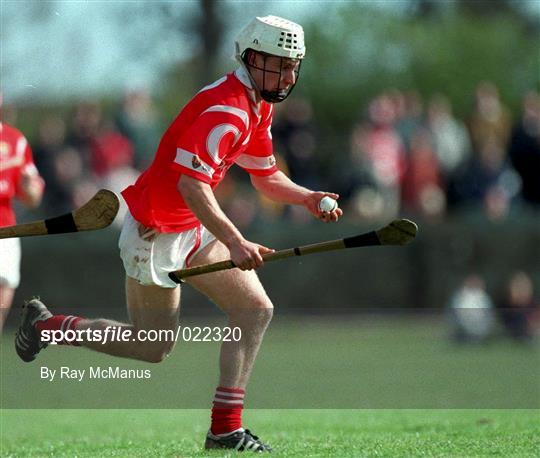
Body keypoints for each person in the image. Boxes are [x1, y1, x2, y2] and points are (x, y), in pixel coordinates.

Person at [15, 16, 342, 452]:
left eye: (293, 66)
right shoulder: (226, 109)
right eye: (279, 65)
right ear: (251, 58)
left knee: (254, 310)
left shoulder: (258, 106)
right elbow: (192, 184)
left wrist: (307, 197)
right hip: (155, 233)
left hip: (193, 226)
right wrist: (234, 240)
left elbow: (265, 177)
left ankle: (225, 428)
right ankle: (49, 325)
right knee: (151, 346)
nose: (287, 76)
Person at [0, 105, 45, 331]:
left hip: (6, 231)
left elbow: (32, 197)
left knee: (4, 289)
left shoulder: (15, 140)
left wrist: (30, 188)